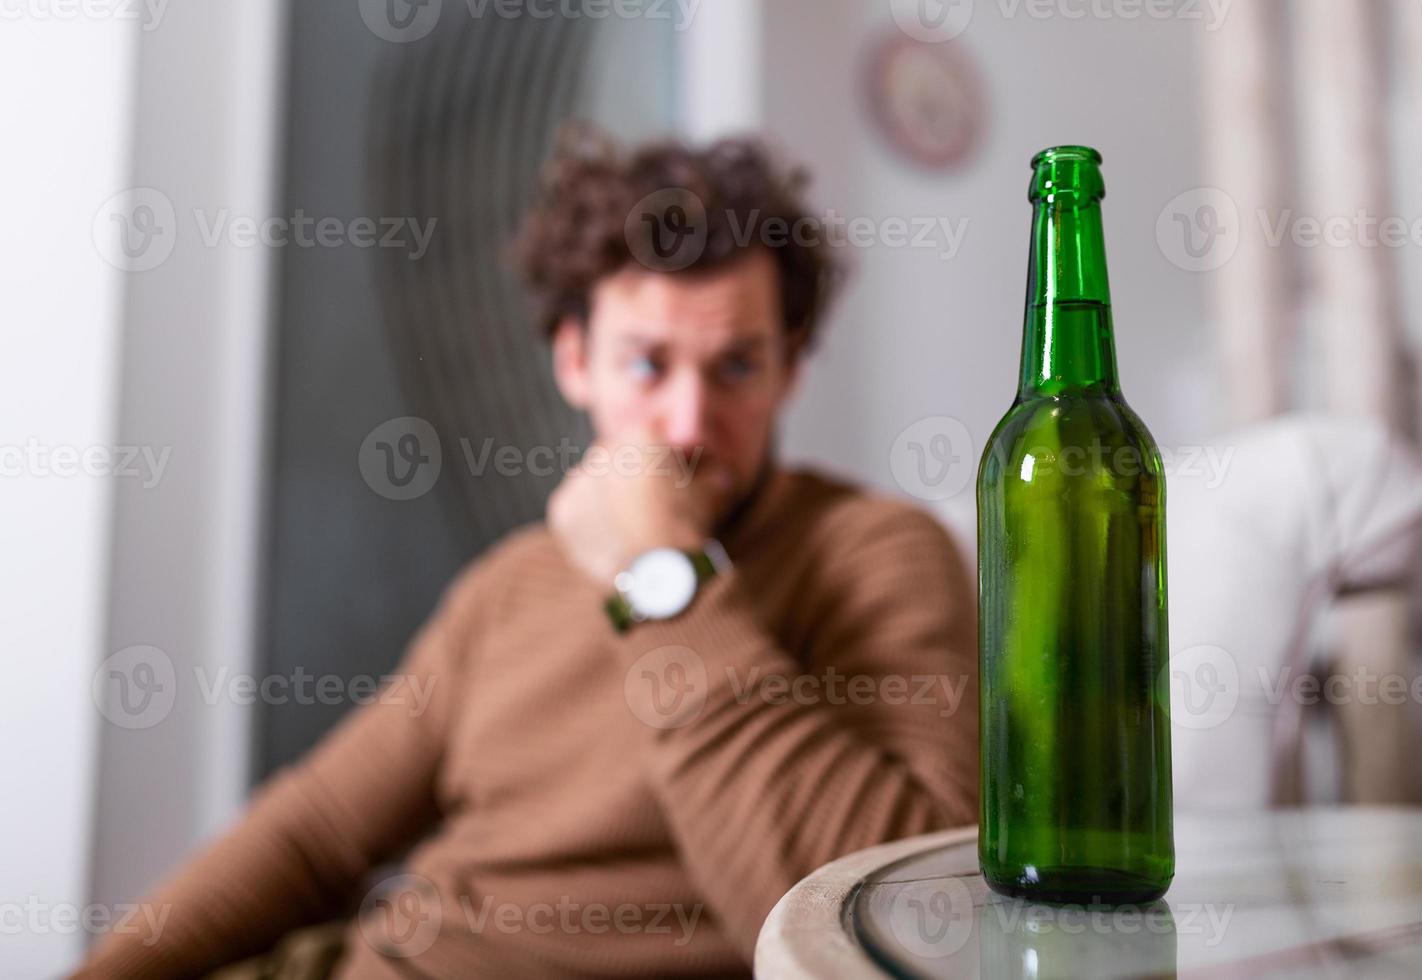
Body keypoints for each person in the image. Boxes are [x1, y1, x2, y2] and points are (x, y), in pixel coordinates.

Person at [75, 129, 978, 979]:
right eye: (647, 365)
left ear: (791, 367)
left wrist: (659, 570)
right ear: (573, 360)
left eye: (736, 366)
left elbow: (908, 919)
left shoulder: (878, 551)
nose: (690, 423)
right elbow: (314, 832)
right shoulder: (511, 583)